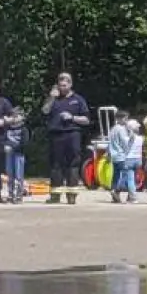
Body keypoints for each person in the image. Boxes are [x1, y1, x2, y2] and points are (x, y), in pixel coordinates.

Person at [42, 72, 90, 204]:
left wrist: (72, 117)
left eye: (65, 84)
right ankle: (55, 195)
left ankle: (71, 195)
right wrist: (51, 98)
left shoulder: (78, 100)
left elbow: (86, 120)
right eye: (60, 84)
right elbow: (45, 111)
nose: (62, 87)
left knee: (72, 164)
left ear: (70, 84)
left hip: (72, 134)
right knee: (55, 165)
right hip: (56, 134)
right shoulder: (53, 99)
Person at [107, 112, 140, 204]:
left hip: (114, 156)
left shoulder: (112, 129)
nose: (126, 121)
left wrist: (109, 153)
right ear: (119, 119)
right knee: (126, 175)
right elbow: (124, 142)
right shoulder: (121, 129)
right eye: (125, 119)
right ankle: (117, 191)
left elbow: (109, 142)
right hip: (122, 155)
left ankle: (114, 192)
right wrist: (131, 140)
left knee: (116, 175)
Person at [3, 108, 29, 204]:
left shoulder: (24, 129)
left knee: (19, 175)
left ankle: (19, 195)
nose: (14, 117)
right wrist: (5, 145)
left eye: (17, 115)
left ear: (22, 117)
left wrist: (13, 147)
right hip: (9, 154)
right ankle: (10, 194)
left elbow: (24, 143)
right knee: (10, 175)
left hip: (19, 154)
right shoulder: (8, 128)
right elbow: (3, 139)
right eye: (13, 115)